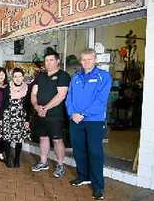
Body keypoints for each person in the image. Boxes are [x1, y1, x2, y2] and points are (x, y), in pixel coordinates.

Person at [66, 49, 112, 200]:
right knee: (78, 150)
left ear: (95, 60)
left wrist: (83, 114)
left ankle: (98, 186)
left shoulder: (103, 76)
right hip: (75, 120)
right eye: (83, 59)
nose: (85, 62)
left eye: (89, 59)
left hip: (94, 121)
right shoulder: (76, 77)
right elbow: (69, 98)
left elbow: (101, 100)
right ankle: (83, 176)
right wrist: (72, 113)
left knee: (95, 152)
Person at [31, 48, 70, 178]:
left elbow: (61, 95)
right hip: (40, 113)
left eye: (51, 60)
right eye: (46, 60)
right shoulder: (40, 76)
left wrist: (45, 108)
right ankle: (43, 162)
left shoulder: (63, 75)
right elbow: (33, 93)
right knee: (43, 137)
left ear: (57, 61)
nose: (48, 63)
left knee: (57, 139)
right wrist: (37, 107)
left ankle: (60, 165)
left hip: (55, 115)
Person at [0, 67, 30, 168]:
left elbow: (28, 105)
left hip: (21, 116)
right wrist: (0, 118)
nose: (17, 78)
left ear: (23, 77)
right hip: (8, 116)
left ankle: (17, 159)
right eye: (15, 76)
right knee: (7, 139)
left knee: (19, 139)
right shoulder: (7, 87)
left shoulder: (27, 88)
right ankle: (8, 158)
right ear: (12, 77)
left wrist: (27, 120)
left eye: (19, 76)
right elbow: (3, 104)